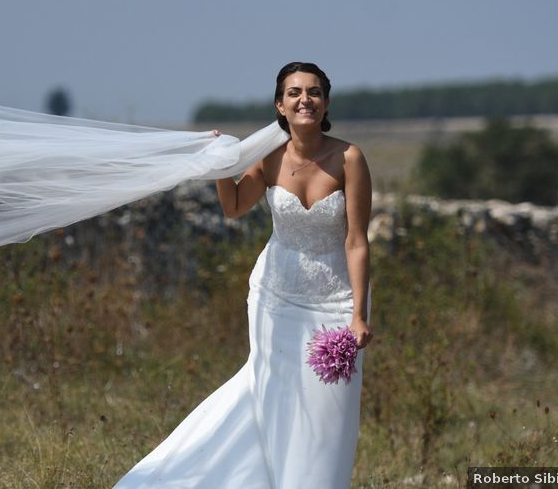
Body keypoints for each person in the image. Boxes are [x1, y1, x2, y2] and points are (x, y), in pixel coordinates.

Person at [115, 62, 373, 488]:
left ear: (326, 102)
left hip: (336, 300)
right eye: (294, 92)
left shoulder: (349, 157)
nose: (304, 99)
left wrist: (359, 315)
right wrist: (221, 168)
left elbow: (357, 241)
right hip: (276, 298)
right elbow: (234, 207)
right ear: (280, 104)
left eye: (313, 92)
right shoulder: (268, 157)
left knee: (330, 416)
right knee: (271, 400)